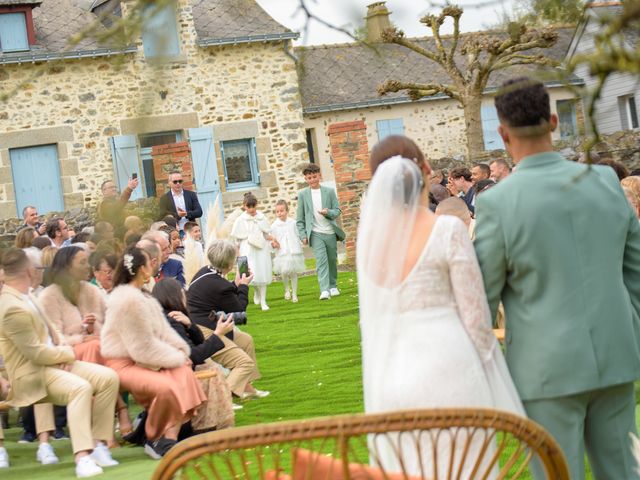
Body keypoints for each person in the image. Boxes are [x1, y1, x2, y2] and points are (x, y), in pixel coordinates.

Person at [474, 77, 640, 480]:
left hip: (544, 368)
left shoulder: (496, 203)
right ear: (553, 121)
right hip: (616, 353)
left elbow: (481, 295)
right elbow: (636, 274)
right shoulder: (604, 182)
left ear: (502, 132)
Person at [358, 136, 523, 477]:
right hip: (449, 364)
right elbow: (476, 318)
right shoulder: (446, 229)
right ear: (425, 170)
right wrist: (492, 370)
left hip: (393, 376)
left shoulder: (370, 246)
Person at [0, 248, 120, 478]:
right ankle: (82, 457)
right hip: (30, 374)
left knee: (108, 378)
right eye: (36, 269)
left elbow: (52, 331)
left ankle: (98, 444)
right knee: (80, 388)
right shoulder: (11, 306)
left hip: (52, 363)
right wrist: (66, 354)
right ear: (28, 271)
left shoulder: (28, 295)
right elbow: (35, 353)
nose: (39, 272)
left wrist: (63, 349)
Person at [101, 247, 207, 459]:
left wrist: (181, 352)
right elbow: (141, 348)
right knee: (167, 387)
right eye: (150, 262)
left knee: (184, 373)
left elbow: (163, 332)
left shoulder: (145, 298)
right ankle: (153, 435)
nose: (154, 264)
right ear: (142, 269)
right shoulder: (127, 299)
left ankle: (169, 439)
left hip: (144, 360)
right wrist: (174, 357)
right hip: (123, 363)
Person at [38, 247, 133, 441]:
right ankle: (120, 411)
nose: (87, 266)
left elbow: (108, 327)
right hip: (65, 356)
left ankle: (102, 429)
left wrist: (92, 329)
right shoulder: (49, 296)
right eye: (82, 262)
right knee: (93, 348)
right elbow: (53, 338)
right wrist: (81, 336)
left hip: (98, 349)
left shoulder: (92, 291)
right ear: (67, 267)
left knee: (97, 348)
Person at [187, 240, 267, 400]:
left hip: (202, 322)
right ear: (230, 264)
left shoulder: (205, 272)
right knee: (244, 363)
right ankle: (224, 399)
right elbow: (239, 311)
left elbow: (219, 293)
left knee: (246, 341)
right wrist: (243, 286)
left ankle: (246, 386)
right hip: (204, 329)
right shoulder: (220, 284)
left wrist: (235, 284)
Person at [152, 279, 235, 430]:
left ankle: (213, 424)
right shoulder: (171, 321)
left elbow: (197, 345)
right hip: (176, 374)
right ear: (174, 296)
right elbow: (194, 356)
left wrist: (190, 325)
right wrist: (218, 334)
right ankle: (207, 425)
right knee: (212, 371)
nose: (185, 297)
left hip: (172, 371)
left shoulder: (168, 316)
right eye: (182, 293)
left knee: (211, 366)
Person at [296, 164, 345, 300]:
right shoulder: (303, 195)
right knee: (321, 260)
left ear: (319, 176)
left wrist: (327, 212)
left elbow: (337, 210)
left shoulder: (329, 191)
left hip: (329, 231)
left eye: (314, 177)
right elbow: (299, 219)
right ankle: (324, 290)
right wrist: (303, 235)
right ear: (306, 178)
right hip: (315, 233)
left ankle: (333, 286)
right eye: (309, 177)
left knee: (331, 259)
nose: (312, 180)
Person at [231, 193, 273, 311]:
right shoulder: (241, 220)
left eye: (253, 206)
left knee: (262, 271)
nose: (252, 209)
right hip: (247, 249)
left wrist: (273, 240)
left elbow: (266, 234)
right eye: (249, 207)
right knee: (249, 272)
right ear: (244, 206)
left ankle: (263, 301)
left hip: (261, 248)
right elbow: (237, 240)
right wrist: (238, 254)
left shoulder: (261, 217)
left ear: (256, 205)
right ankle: (256, 291)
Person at [271, 200, 305, 303]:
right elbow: (271, 239)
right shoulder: (274, 226)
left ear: (287, 211)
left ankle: (294, 294)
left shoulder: (293, 223)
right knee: (284, 272)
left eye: (282, 211)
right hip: (282, 252)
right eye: (277, 211)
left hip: (293, 251)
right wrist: (273, 244)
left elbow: (298, 234)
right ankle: (287, 289)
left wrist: (302, 240)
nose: (279, 213)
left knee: (293, 273)